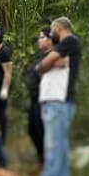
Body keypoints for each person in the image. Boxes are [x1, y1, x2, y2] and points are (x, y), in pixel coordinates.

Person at [31, 17, 81, 176]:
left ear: (57, 28)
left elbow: (46, 64)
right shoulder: (64, 46)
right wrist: (46, 64)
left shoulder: (69, 41)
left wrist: (44, 64)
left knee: (52, 145)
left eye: (52, 30)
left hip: (57, 101)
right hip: (55, 101)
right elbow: (47, 64)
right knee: (60, 144)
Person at [23, 27, 62, 165]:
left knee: (43, 130)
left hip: (47, 99)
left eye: (42, 37)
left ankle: (48, 160)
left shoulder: (56, 57)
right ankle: (42, 157)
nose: (39, 40)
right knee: (32, 129)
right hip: (35, 98)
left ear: (51, 40)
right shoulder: (38, 57)